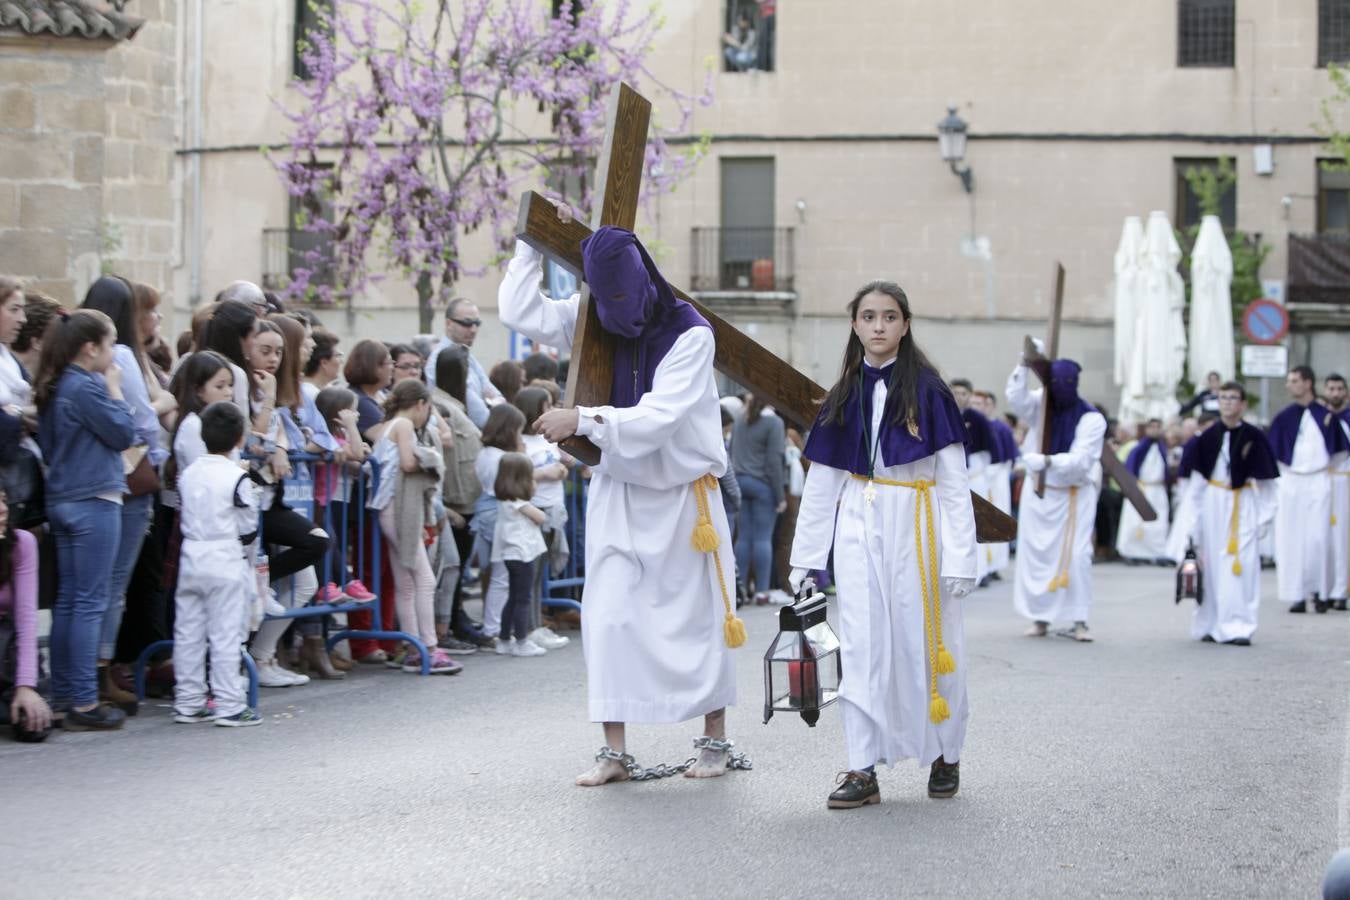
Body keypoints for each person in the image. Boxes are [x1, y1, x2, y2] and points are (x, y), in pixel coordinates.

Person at [500, 216, 744, 786]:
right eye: (603, 296)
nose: (618, 308)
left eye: (622, 294)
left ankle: (714, 741)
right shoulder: (591, 318)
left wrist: (582, 418)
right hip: (619, 492)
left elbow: (660, 418)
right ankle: (614, 752)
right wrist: (530, 245)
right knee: (608, 618)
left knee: (700, 621)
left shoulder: (690, 332)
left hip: (686, 501)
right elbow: (519, 313)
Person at [787, 281, 976, 809]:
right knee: (864, 645)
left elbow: (955, 483)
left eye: (888, 317)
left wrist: (962, 555)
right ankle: (861, 766)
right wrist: (806, 559)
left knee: (930, 641)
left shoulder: (931, 392)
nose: (877, 326)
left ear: (905, 324)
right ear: (854, 325)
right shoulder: (843, 394)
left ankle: (945, 751)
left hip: (918, 524)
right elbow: (822, 484)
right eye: (868, 316)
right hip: (858, 523)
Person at [35, 309, 137, 731]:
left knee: (70, 602)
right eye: (109, 344)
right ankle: (81, 699)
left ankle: (62, 697)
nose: (112, 354)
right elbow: (122, 432)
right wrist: (115, 389)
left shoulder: (56, 386)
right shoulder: (87, 386)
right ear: (90, 347)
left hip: (63, 498)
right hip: (93, 498)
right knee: (89, 601)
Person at [80, 276, 174, 712]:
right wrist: (161, 405)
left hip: (94, 480)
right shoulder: (118, 357)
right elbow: (138, 420)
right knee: (110, 586)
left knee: (89, 589)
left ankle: (91, 675)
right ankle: (98, 674)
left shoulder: (81, 358)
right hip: (128, 478)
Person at [173, 402, 264, 727]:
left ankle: (188, 701)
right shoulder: (236, 476)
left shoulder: (189, 473)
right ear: (239, 438)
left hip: (191, 554)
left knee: (188, 631)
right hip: (224, 555)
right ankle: (229, 704)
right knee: (226, 633)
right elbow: (248, 525)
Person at [1006, 351, 1107, 642]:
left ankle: (1079, 619)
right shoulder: (1041, 403)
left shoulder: (1091, 418)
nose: (1062, 387)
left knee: (1077, 556)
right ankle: (1040, 617)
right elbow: (1015, 397)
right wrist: (1023, 366)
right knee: (1036, 555)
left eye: (1068, 382)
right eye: (1057, 381)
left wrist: (1048, 461)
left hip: (1074, 494)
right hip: (1039, 492)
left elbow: (1082, 459)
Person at [366, 380, 461, 674]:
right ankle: (429, 648)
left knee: (405, 581)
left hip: (387, 507)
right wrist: (430, 461)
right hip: (400, 506)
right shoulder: (404, 425)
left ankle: (412, 647)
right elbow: (408, 463)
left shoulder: (387, 426)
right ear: (421, 404)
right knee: (424, 579)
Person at [1174, 383, 1278, 644]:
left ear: (1242, 404)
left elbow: (1267, 485)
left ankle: (1238, 625)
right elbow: (1196, 484)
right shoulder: (1206, 438)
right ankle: (1209, 622)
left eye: (1233, 398)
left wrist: (1263, 518)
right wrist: (1191, 521)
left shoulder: (1254, 437)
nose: (1228, 403)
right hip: (1212, 504)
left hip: (1241, 504)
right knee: (1209, 566)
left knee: (1238, 566)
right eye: (1223, 398)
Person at [1268, 366, 1349, 613]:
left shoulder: (1326, 416)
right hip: (1292, 481)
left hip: (1318, 481)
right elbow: (1275, 453)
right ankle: (1297, 593)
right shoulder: (1284, 418)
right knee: (1291, 538)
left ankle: (1321, 590)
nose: (1289, 385)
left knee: (1318, 538)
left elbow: (1340, 452)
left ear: (1307, 383)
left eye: (1294, 381)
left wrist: (1319, 470)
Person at [431, 345, 486, 650]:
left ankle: (455, 617)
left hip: (467, 495)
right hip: (455, 497)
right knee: (450, 566)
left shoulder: (456, 404)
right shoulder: (442, 405)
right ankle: (448, 622)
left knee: (459, 566)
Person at [511, 386, 571, 650]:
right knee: (531, 573)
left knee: (541, 572)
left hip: (554, 508)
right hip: (534, 509)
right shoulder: (520, 441)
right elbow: (514, 476)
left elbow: (566, 460)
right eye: (546, 406)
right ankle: (528, 626)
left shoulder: (547, 438)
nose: (550, 410)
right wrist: (544, 474)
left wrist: (562, 467)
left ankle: (535, 624)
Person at [0, 485, 52, 741]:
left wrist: (26, 686)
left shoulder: (21, 543)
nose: (2, 510)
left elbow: (26, 620)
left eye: (3, 500)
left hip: (7, 649)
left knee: (33, 727)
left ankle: (22, 696)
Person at [472, 404, 527, 647]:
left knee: (493, 572)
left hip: (485, 510)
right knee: (502, 575)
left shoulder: (485, 453)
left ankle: (493, 626)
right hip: (501, 511)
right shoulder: (503, 457)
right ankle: (493, 628)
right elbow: (513, 488)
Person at [490, 452, 550, 657]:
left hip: (510, 555)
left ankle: (505, 639)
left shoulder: (505, 502)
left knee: (514, 597)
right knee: (523, 597)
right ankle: (522, 640)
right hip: (523, 554)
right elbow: (541, 517)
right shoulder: (519, 503)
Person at [732, 393, 787, 604]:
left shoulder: (739, 419)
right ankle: (762, 591)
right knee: (763, 538)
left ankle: (741, 590)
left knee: (743, 538)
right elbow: (774, 461)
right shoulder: (774, 422)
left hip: (739, 482)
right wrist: (780, 495)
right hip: (763, 485)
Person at [425, 298, 502, 428]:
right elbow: (479, 414)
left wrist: (493, 402)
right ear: (448, 323)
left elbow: (493, 393)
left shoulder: (467, 355)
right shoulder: (440, 359)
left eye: (477, 323)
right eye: (466, 323)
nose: (473, 329)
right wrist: (491, 404)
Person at [950, 378, 993, 586]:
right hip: (951, 478)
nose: (959, 397)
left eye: (963, 393)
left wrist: (975, 473)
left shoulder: (978, 419)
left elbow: (987, 450)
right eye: (955, 392)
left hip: (973, 475)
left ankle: (981, 571)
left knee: (978, 524)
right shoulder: (945, 414)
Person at [1115, 418, 1171, 565]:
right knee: (1134, 522)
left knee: (1157, 523)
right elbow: (1130, 468)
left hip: (1157, 489)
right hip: (1141, 488)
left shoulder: (1162, 448)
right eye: (1151, 427)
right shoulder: (1138, 448)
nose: (1154, 430)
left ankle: (1156, 552)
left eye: (1158, 427)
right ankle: (1131, 552)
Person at [974, 390, 1017, 577]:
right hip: (976, 478)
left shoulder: (1001, 428)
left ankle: (994, 565)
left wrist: (991, 475)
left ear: (990, 406)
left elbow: (1005, 458)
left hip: (995, 479)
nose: (978, 408)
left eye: (982, 404)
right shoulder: (970, 423)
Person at [1326, 374, 1350, 610]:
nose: (1335, 393)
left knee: (1343, 538)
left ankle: (1341, 589)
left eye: (1339, 389)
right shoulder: (1321, 419)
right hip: (1324, 482)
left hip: (1345, 480)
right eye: (1331, 388)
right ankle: (1325, 586)